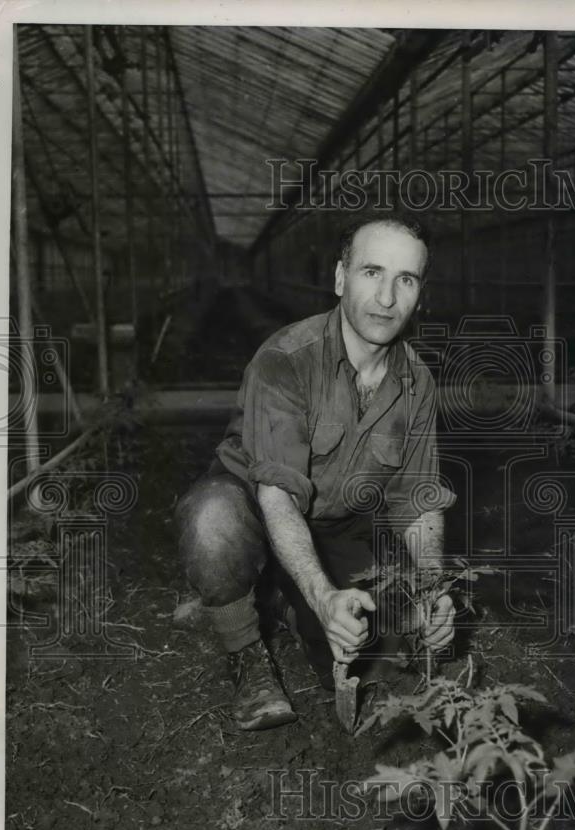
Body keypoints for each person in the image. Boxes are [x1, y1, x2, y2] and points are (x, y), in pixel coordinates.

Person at [175, 212, 457, 731]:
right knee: (211, 520)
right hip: (258, 504)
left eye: (406, 279)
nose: (388, 298)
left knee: (368, 641)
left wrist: (432, 588)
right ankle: (246, 652)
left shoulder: (417, 381)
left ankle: (284, 599)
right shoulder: (285, 360)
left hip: (339, 521)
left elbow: (418, 500)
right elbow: (278, 494)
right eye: (372, 272)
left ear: (421, 292)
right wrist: (324, 594)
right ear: (339, 278)